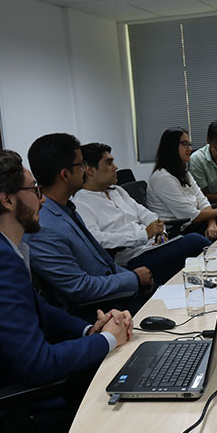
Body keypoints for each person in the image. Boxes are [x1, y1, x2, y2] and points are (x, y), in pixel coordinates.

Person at [0, 151, 133, 433]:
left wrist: (89, 330)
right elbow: (38, 366)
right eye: (34, 190)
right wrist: (108, 340)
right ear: (7, 200)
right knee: (120, 416)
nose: (43, 199)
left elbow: (38, 308)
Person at [24, 133, 153, 316]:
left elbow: (104, 263)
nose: (86, 170)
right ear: (65, 174)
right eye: (81, 165)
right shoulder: (45, 227)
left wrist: (135, 280)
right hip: (101, 313)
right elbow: (79, 288)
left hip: (118, 295)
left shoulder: (66, 208)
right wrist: (133, 279)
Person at [73, 142, 211, 285]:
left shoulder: (117, 191)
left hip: (152, 247)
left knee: (196, 250)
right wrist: (143, 235)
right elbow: (98, 240)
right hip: (131, 259)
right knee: (197, 241)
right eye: (108, 163)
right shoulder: (81, 203)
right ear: (90, 170)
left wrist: (160, 231)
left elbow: (147, 214)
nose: (115, 168)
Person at [146, 127, 217, 240]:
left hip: (193, 224)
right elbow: (191, 216)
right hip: (177, 231)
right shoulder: (162, 178)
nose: (190, 149)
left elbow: (203, 202)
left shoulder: (183, 172)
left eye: (190, 144)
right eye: (185, 144)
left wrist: (212, 223)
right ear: (171, 146)